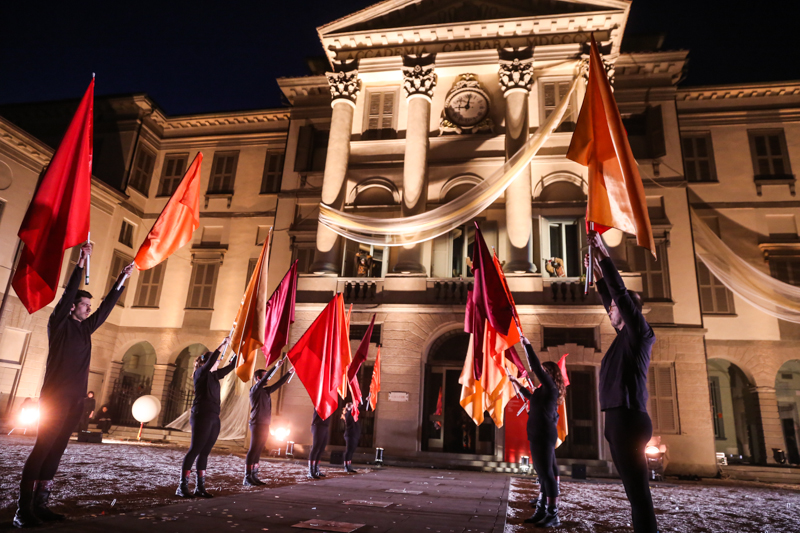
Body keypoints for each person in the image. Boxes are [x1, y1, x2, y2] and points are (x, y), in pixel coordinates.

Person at [15, 243, 132, 528]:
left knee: (56, 452)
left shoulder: (86, 328)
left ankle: (41, 505)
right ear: (72, 308)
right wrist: (81, 264)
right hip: (55, 399)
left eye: (89, 307)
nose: (89, 309)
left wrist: (122, 280)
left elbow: (105, 309)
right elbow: (67, 294)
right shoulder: (59, 325)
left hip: (75, 401)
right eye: (84, 305)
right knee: (42, 448)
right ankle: (23, 509)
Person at [586, 230, 658, 533]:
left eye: (615, 307)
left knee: (638, 493)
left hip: (628, 418)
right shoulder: (624, 338)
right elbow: (609, 294)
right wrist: (595, 265)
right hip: (618, 419)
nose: (610, 310)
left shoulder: (640, 334)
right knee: (633, 492)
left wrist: (604, 253)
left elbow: (618, 293)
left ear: (629, 309)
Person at [509, 336, 566, 529]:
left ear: (550, 374)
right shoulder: (543, 390)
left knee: (546, 474)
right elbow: (530, 397)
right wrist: (515, 383)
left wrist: (527, 346)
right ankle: (542, 509)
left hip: (543, 434)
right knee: (543, 473)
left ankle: (552, 514)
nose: (540, 373)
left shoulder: (550, 388)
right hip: (538, 433)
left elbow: (534, 366)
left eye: (544, 371)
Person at [176, 335, 234, 499]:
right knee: (195, 449)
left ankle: (200, 487)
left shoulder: (214, 376)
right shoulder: (200, 373)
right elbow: (211, 361)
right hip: (201, 414)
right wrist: (222, 345)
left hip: (214, 415)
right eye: (216, 361)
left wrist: (240, 350)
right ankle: (182, 486)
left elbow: (231, 366)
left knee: (205, 452)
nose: (218, 363)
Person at [244, 359, 294, 486]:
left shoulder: (266, 391)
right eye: (265, 376)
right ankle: (247, 477)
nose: (268, 379)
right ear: (259, 378)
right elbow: (267, 377)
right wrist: (276, 367)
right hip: (256, 423)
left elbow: (278, 384)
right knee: (253, 448)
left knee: (259, 448)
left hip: (265, 423)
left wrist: (289, 372)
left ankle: (254, 475)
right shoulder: (254, 389)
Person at [342, 397, 369, 473]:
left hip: (355, 435)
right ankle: (346, 466)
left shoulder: (354, 414)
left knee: (352, 451)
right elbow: (355, 410)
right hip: (350, 435)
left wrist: (366, 400)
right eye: (350, 406)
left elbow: (360, 409)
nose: (352, 407)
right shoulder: (348, 414)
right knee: (349, 451)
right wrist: (354, 405)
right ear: (347, 408)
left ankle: (349, 465)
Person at [308, 410, 331, 479]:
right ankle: (311, 471)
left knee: (321, 449)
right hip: (318, 425)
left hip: (325, 426)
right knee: (316, 448)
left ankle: (316, 470)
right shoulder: (320, 401)